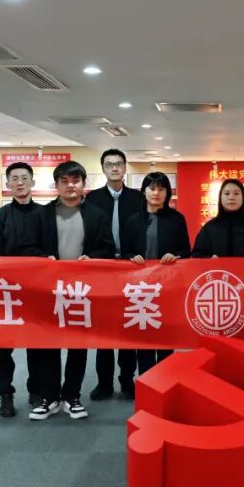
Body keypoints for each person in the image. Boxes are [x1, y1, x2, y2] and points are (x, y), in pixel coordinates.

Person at [30, 160, 115, 421]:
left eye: (75, 180)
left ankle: (72, 396)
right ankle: (49, 397)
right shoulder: (41, 214)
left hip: (81, 290)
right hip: (49, 289)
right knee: (49, 345)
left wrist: (92, 258)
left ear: (83, 184)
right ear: (56, 185)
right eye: (65, 181)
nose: (70, 186)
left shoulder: (97, 215)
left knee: (78, 345)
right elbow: (29, 246)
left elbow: (108, 248)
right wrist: (44, 258)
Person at [84, 149, 146, 401]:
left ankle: (127, 379)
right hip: (102, 268)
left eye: (118, 164)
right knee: (104, 328)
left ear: (125, 167)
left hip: (132, 268)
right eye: (109, 164)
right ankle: (104, 382)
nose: (114, 168)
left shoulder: (138, 198)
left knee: (128, 326)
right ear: (103, 169)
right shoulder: (92, 199)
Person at [0, 161, 45, 418]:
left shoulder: (45, 214)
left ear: (32, 182)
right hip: (6, 290)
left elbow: (50, 249)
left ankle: (36, 391)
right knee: (3, 346)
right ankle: (6, 394)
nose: (20, 183)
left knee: (37, 345)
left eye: (24, 178)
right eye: (14, 178)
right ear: (7, 184)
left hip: (37, 289)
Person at [121, 171, 191, 373]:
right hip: (141, 288)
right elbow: (125, 252)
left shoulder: (177, 219)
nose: (156, 193)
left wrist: (175, 255)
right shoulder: (133, 220)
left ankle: (165, 381)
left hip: (167, 287)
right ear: (144, 191)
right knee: (144, 339)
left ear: (167, 193)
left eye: (161, 189)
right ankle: (146, 381)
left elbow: (186, 251)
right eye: (152, 188)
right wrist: (132, 257)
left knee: (166, 338)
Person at [192, 178, 244, 258]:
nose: (231, 197)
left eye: (236, 193)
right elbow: (197, 255)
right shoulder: (209, 228)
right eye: (227, 193)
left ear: (243, 197)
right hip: (218, 269)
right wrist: (209, 259)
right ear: (220, 198)